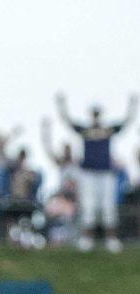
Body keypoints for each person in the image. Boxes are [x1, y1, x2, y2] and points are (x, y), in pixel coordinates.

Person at [55, 94, 138, 252]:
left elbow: (126, 122)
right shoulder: (85, 130)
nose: (96, 115)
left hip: (106, 173)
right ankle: (87, 239)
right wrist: (62, 105)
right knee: (89, 205)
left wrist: (132, 105)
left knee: (108, 206)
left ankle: (111, 240)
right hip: (88, 173)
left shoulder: (107, 130)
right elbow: (67, 121)